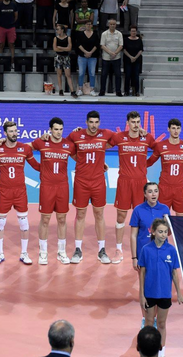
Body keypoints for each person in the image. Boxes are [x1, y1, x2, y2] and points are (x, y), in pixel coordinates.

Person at [0, 121, 40, 265]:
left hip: (20, 191)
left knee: (24, 223)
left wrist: (51, 166)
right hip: (3, 191)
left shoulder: (24, 149)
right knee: (0, 223)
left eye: (16, 131)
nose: (14, 133)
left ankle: (24, 253)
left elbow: (36, 166)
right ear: (5, 133)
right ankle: (0, 253)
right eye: (11, 131)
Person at [67, 110, 115, 264]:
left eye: (96, 122)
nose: (94, 125)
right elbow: (67, 148)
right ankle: (78, 249)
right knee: (80, 214)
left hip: (98, 182)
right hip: (81, 182)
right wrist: (82, 160)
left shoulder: (106, 133)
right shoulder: (76, 135)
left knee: (99, 214)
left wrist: (139, 130)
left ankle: (102, 250)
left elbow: (120, 139)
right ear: (86, 122)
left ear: (99, 122)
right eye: (91, 122)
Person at [111, 112, 157, 263]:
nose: (136, 125)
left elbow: (159, 150)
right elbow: (102, 143)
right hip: (124, 182)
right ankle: (118, 250)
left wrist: (146, 164)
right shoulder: (119, 137)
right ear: (128, 123)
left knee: (142, 216)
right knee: (121, 216)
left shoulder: (147, 138)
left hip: (140, 183)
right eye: (133, 122)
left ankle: (144, 248)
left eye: (138, 122)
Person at [30, 118, 76, 265]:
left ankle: (61, 252)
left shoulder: (68, 145)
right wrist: (38, 167)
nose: (58, 132)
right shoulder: (41, 142)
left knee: (62, 219)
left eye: (61, 129)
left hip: (62, 187)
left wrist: (100, 165)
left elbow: (81, 158)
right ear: (50, 129)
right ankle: (43, 252)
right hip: (47, 187)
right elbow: (23, 149)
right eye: (56, 129)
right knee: (45, 219)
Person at [138, 218, 183, 357]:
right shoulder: (146, 249)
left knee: (162, 324)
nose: (163, 234)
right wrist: (141, 295)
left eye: (165, 232)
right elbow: (142, 273)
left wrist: (179, 293)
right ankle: (147, 351)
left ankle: (161, 353)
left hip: (165, 293)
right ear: (153, 232)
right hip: (149, 293)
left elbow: (174, 273)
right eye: (160, 231)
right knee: (148, 323)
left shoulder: (171, 250)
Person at [130, 182, 171, 328]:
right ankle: (145, 318)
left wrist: (167, 224)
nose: (153, 194)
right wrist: (134, 257)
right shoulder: (138, 210)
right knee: (145, 287)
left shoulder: (165, 209)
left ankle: (155, 318)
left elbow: (168, 233)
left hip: (162, 255)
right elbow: (133, 235)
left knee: (159, 285)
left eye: (156, 191)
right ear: (145, 194)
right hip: (144, 256)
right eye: (150, 191)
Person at [100, 18, 124, 96]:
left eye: (114, 24)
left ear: (116, 25)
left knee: (118, 75)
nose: (112, 25)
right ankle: (102, 90)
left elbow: (121, 45)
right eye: (111, 24)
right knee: (104, 75)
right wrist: (110, 53)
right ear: (108, 25)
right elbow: (102, 45)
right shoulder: (104, 34)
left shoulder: (119, 34)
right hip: (106, 58)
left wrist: (115, 53)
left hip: (116, 58)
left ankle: (118, 91)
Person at [0, 0, 18, 66]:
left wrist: (11, 23)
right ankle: (0, 60)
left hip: (11, 27)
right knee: (1, 44)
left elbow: (16, 16)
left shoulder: (13, 5)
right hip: (1, 27)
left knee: (11, 44)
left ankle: (12, 61)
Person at [52, 25, 77, 97]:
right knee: (59, 74)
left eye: (58, 29)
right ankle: (60, 89)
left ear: (62, 30)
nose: (57, 31)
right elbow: (55, 49)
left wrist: (60, 47)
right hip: (58, 57)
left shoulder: (68, 38)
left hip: (66, 58)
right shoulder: (56, 38)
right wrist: (64, 49)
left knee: (68, 75)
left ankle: (72, 91)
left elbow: (69, 49)